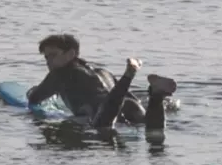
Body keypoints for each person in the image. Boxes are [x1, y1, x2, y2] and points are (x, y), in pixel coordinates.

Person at [27, 33, 172, 130]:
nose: (49, 62)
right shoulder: (103, 72)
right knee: (153, 128)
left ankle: (129, 74)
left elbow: (35, 98)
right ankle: (156, 96)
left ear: (71, 54)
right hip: (129, 104)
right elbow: (132, 99)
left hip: (105, 111)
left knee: (103, 127)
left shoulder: (59, 75)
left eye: (53, 55)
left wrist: (31, 91)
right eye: (46, 57)